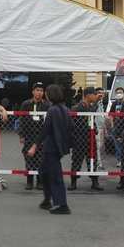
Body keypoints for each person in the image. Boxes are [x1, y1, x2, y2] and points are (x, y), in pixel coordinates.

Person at [27, 84, 73, 215]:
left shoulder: (52, 110)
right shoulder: (64, 108)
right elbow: (71, 125)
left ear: (49, 95)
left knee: (54, 175)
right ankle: (48, 199)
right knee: (44, 172)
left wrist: (34, 146)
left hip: (51, 146)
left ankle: (63, 204)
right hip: (58, 145)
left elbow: (45, 130)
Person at [69, 87, 103, 191]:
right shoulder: (77, 108)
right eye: (94, 94)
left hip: (90, 137)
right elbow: (69, 123)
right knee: (77, 160)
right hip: (79, 138)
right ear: (88, 95)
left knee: (93, 160)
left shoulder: (91, 107)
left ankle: (94, 181)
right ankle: (73, 182)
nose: (96, 96)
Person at [18, 82, 51, 190]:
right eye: (37, 90)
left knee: (40, 159)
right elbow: (21, 120)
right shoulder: (26, 104)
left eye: (41, 91)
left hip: (41, 135)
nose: (39, 92)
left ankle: (40, 181)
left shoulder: (46, 105)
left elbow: (49, 122)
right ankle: (29, 181)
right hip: (29, 135)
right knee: (29, 158)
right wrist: (21, 135)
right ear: (33, 92)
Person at [108, 87, 124, 168]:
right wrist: (112, 126)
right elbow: (111, 115)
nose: (119, 94)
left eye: (121, 92)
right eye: (117, 92)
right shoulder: (114, 103)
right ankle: (120, 160)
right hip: (116, 127)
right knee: (117, 144)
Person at [93, 87, 108, 170]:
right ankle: (98, 162)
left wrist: (105, 129)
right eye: (99, 93)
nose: (101, 94)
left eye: (102, 93)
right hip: (97, 127)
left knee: (100, 145)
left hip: (101, 126)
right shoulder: (95, 104)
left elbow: (103, 117)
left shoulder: (101, 104)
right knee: (97, 145)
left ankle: (98, 161)